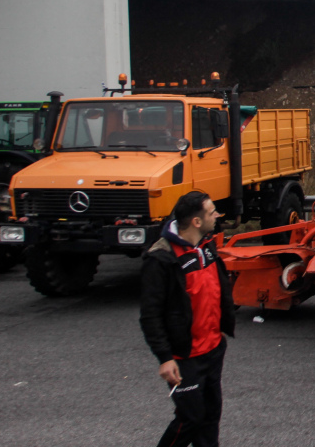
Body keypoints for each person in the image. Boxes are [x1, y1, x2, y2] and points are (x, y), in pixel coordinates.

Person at [140, 191, 235, 447]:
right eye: (212, 212)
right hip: (185, 358)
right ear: (196, 221)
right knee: (190, 419)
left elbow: (216, 289)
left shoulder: (206, 245)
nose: (217, 216)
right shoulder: (161, 258)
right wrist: (165, 358)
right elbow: (150, 314)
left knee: (210, 416)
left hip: (213, 349)